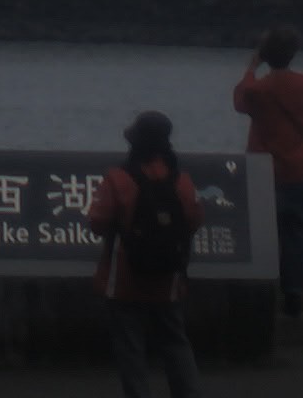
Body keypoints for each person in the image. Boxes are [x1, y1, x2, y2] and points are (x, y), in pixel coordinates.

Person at [83, 110, 203, 398]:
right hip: (168, 280)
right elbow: (195, 220)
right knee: (175, 342)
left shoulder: (117, 179)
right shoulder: (182, 181)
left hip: (124, 279)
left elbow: (97, 223)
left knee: (130, 348)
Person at [232, 26, 303, 316]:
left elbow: (239, 100)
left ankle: (262, 287)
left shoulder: (258, 90)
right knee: (300, 232)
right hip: (300, 168)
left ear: (265, 55)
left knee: (262, 232)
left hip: (265, 170)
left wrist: (251, 67)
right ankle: (294, 290)